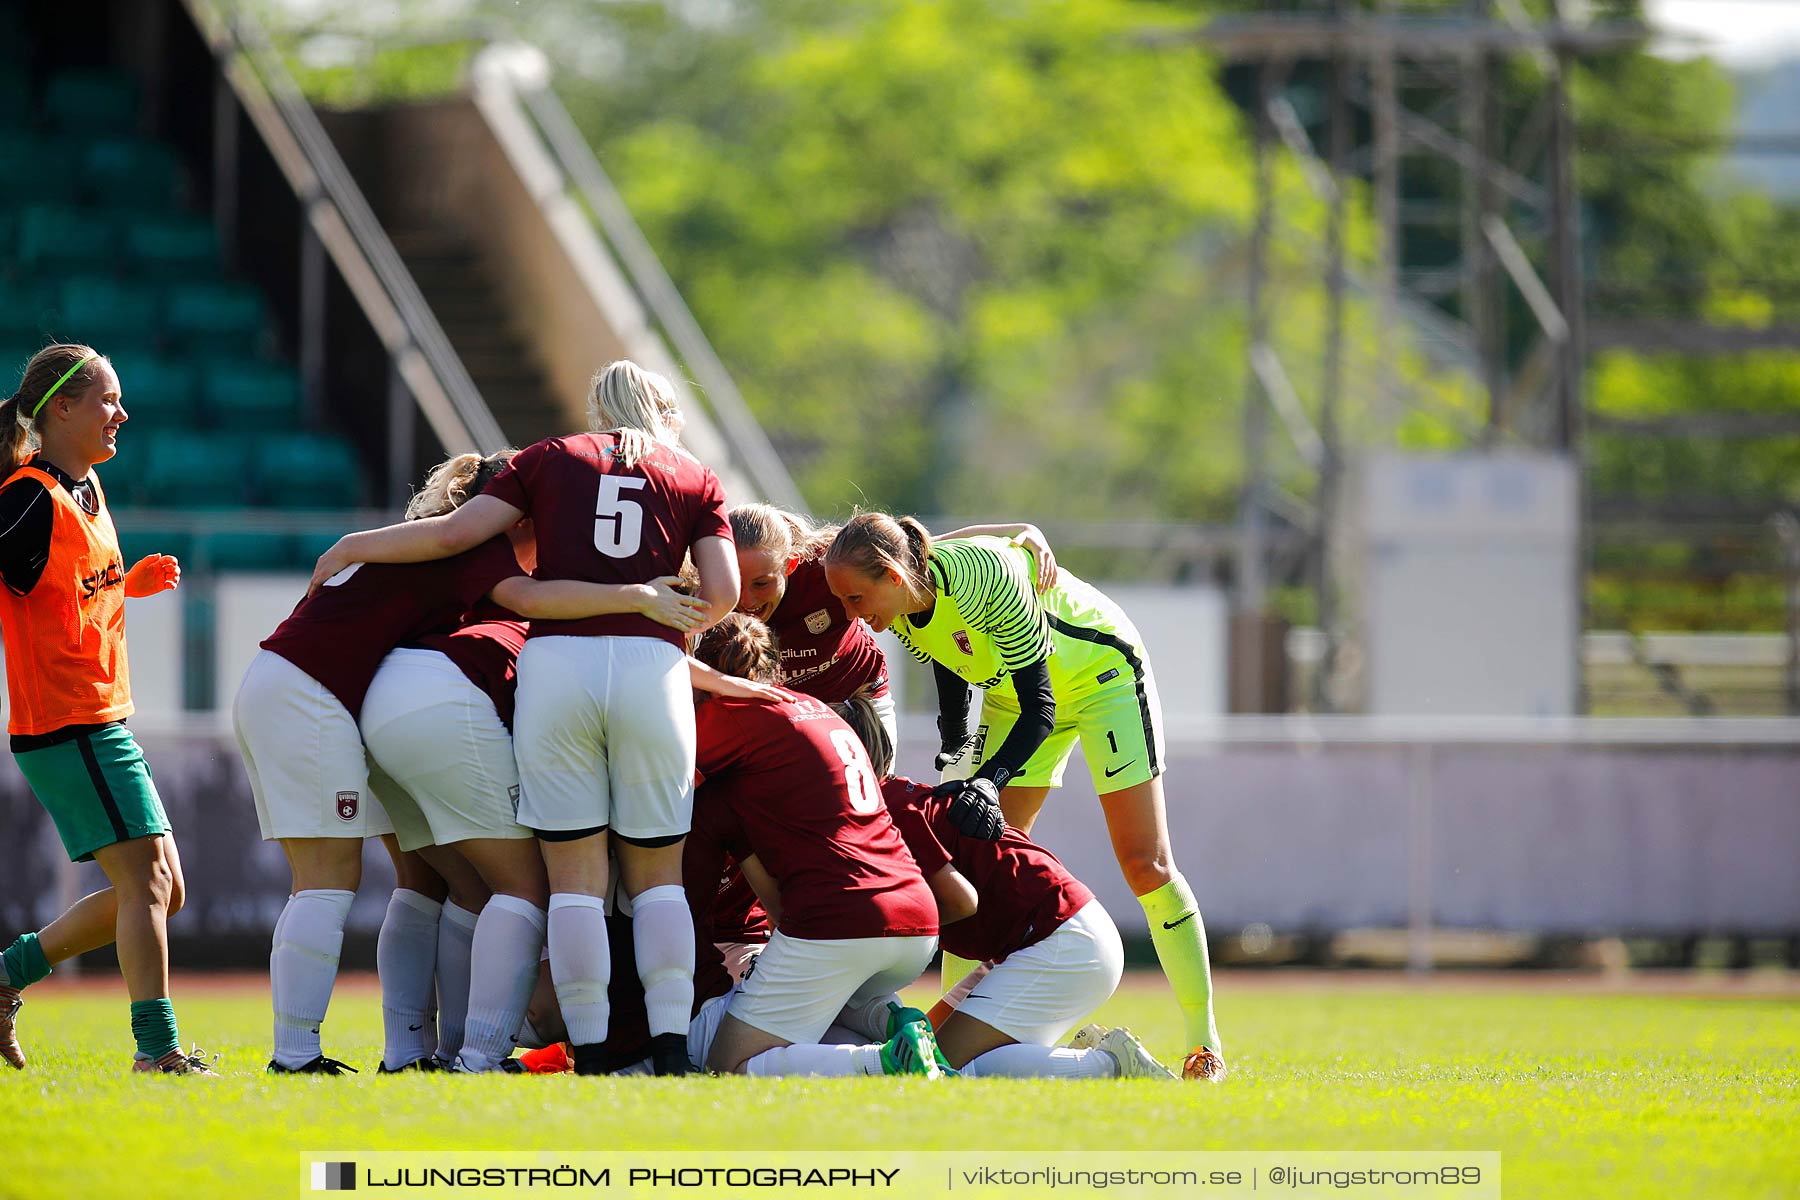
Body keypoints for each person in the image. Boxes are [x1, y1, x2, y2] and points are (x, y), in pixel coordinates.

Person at [306, 360, 739, 1076]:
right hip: (650, 671)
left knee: (574, 878)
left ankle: (592, 1051)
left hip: (558, 668)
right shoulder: (694, 476)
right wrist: (658, 605)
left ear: (597, 407)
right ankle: (667, 1049)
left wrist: (354, 543)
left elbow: (451, 537)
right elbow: (721, 594)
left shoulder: (548, 457)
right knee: (657, 877)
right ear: (662, 408)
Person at [823, 513, 1227, 1081]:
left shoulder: (981, 577)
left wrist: (988, 780)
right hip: (1013, 695)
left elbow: (1043, 707)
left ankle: (1202, 1039)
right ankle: (953, 1019)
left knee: (1146, 862)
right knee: (978, 860)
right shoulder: (901, 604)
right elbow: (949, 654)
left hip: (1097, 674)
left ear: (892, 574)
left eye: (855, 598)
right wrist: (954, 735)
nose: (850, 614)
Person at [0, 344, 212, 1075]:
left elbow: (66, 594)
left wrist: (129, 586)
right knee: (149, 883)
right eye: (106, 400)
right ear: (62, 408)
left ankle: (5, 976)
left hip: (95, 719)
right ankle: (158, 1052)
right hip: (66, 723)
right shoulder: (30, 496)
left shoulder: (84, 490)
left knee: (161, 890)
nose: (120, 413)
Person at [835, 697, 1176, 1080]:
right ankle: (1072, 1061)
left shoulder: (889, 810)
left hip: (1063, 939)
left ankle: (1111, 1066)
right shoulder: (892, 799)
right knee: (920, 1047)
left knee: (938, 1066)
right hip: (1044, 939)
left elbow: (960, 901)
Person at [687, 615, 957, 1078]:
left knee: (726, 1065)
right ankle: (888, 1020)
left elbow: (658, 789)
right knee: (820, 1031)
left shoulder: (729, 714)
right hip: (915, 919)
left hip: (842, 919)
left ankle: (887, 1060)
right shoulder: (818, 708)